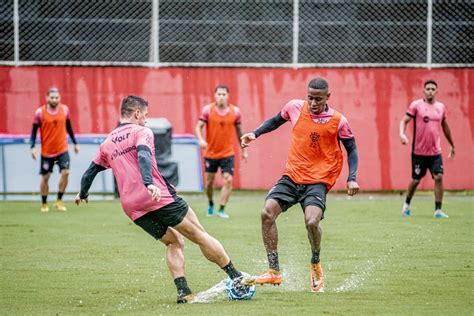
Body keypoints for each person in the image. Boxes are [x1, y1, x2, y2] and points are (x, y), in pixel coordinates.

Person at [75, 96, 253, 304]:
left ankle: (183, 291)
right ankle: (236, 276)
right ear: (137, 114)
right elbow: (143, 155)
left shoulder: (108, 142)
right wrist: (149, 183)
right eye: (146, 116)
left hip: (132, 207)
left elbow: (90, 171)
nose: (146, 121)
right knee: (199, 235)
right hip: (157, 195)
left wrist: (83, 193)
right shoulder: (141, 132)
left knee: (173, 241)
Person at [241, 78, 359, 293]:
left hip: (318, 180)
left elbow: (352, 149)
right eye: (310, 98)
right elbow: (275, 121)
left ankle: (315, 264)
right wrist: (254, 133)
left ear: (328, 97)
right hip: (292, 176)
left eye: (318, 99)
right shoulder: (294, 107)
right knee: (267, 213)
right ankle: (273, 271)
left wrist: (352, 177)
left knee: (312, 221)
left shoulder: (339, 121)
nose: (313, 103)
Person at [399, 79, 455, 218]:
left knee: (439, 177)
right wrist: (402, 134)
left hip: (435, 152)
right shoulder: (416, 106)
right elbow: (403, 121)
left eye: (433, 89)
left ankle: (438, 210)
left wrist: (452, 144)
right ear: (424, 91)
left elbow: (445, 127)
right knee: (416, 180)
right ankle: (406, 206)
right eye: (428, 88)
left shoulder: (441, 107)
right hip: (419, 152)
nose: (430, 91)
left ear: (436, 91)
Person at [195, 85, 248, 218]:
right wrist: (201, 139)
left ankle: (221, 209)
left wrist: (244, 150)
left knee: (228, 179)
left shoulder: (235, 112)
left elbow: (240, 133)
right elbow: (198, 127)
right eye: (219, 94)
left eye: (224, 94)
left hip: (227, 153)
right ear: (215, 95)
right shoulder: (208, 110)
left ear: (228, 96)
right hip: (211, 153)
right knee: (209, 183)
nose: (221, 96)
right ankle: (211, 203)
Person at [30, 87, 79, 212]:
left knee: (66, 173)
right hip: (47, 152)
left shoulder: (65, 110)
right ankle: (44, 203)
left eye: (57, 97)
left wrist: (74, 143)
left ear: (59, 98)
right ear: (47, 98)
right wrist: (32, 147)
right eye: (52, 97)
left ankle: (59, 200)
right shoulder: (40, 113)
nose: (54, 100)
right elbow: (34, 132)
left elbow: (69, 127)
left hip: (62, 149)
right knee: (45, 177)